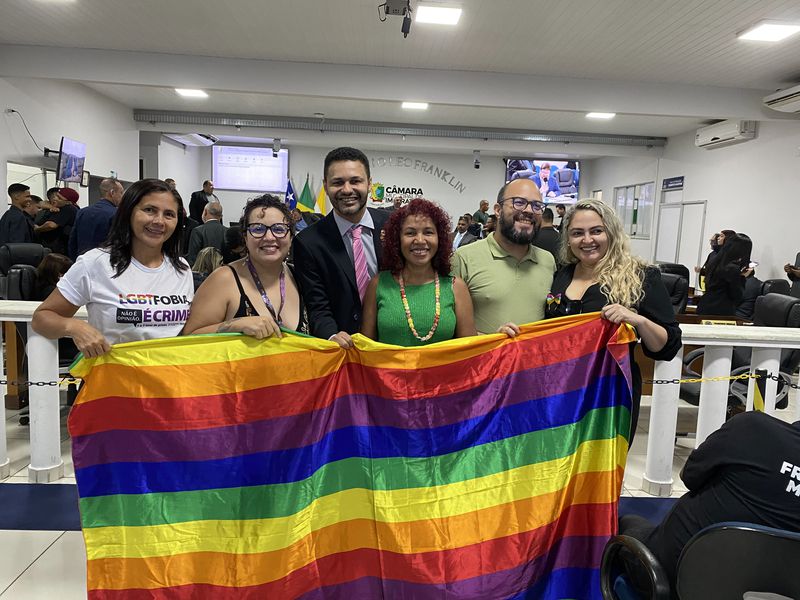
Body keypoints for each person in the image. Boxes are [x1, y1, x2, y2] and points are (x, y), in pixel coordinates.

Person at [618, 411, 800, 595]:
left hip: (668, 577)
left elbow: (689, 476)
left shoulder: (752, 428)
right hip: (764, 590)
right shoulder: (753, 428)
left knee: (625, 524)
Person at [544, 199, 681, 439]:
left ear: (612, 232)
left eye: (597, 231)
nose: (587, 240)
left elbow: (668, 346)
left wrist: (638, 320)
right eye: (577, 233)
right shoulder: (561, 275)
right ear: (568, 238)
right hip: (560, 390)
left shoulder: (640, 276)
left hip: (610, 394)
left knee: (603, 460)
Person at [31, 179, 193, 357]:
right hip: (114, 372)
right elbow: (41, 319)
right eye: (149, 210)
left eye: (169, 214)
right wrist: (74, 326)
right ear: (128, 212)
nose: (159, 221)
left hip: (168, 372)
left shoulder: (181, 268)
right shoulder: (95, 263)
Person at [292, 146, 390, 347]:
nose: (347, 190)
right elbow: (317, 305)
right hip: (344, 349)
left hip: (394, 344)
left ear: (369, 184)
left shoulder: (394, 225)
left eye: (355, 181)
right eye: (338, 182)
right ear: (326, 186)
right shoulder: (308, 242)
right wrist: (330, 335)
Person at [183, 194, 306, 337]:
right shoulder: (223, 279)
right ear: (245, 237)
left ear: (291, 237)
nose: (269, 237)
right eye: (258, 229)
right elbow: (189, 336)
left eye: (279, 229)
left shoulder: (301, 278)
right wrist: (234, 325)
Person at [361, 198, 476, 346]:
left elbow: (470, 350)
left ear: (440, 238)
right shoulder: (378, 284)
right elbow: (365, 348)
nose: (420, 240)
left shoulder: (456, 287)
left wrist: (500, 341)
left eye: (428, 232)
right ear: (397, 239)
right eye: (410, 233)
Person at [452, 178, 556, 334]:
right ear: (498, 210)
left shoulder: (548, 260)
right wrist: (493, 340)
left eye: (537, 206)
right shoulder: (464, 258)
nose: (529, 211)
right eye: (519, 202)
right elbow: (448, 326)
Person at [696, 233, 752, 316]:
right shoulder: (733, 268)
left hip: (705, 305)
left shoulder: (715, 260)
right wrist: (743, 277)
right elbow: (736, 295)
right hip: (721, 310)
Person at [67, 178, 124, 259]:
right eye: (121, 193)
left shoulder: (82, 212)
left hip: (83, 259)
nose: (122, 197)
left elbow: (72, 242)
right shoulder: (117, 214)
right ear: (112, 193)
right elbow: (120, 243)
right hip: (105, 261)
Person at [35, 187, 79, 255]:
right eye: (56, 196)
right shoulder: (58, 207)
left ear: (68, 202)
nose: (55, 199)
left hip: (61, 250)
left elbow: (51, 225)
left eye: (59, 198)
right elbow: (41, 203)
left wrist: (37, 229)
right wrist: (51, 207)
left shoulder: (68, 209)